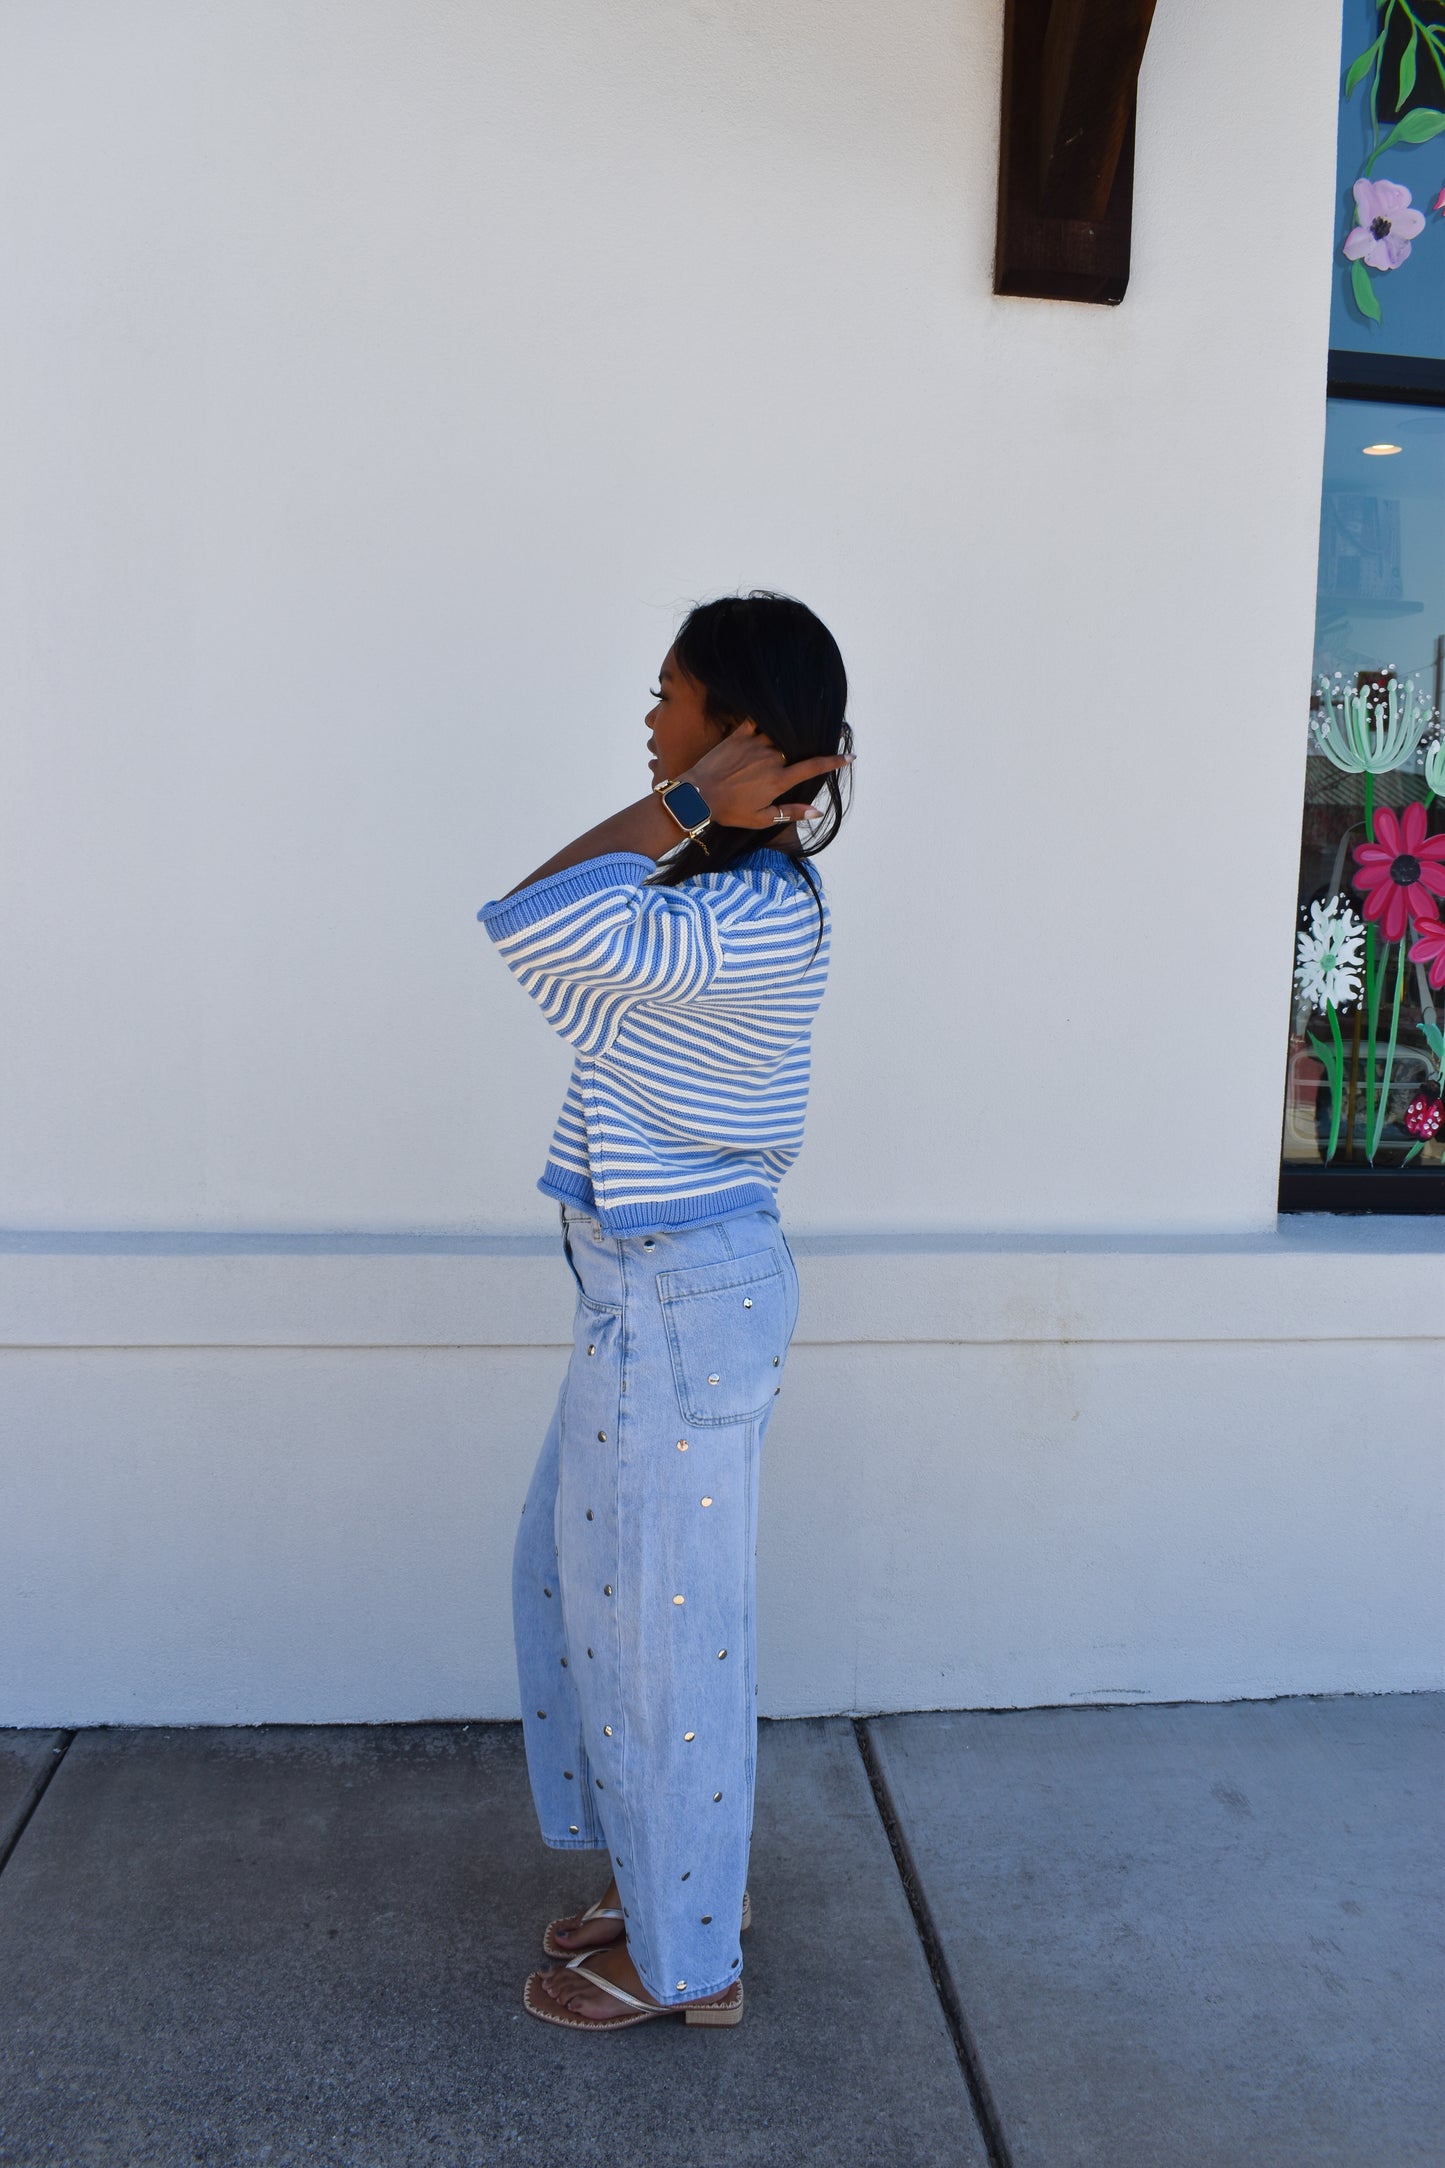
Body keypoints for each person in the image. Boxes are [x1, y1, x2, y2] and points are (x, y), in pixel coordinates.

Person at [477, 590, 853, 2032]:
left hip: (675, 1299)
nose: (647, 722)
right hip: (649, 1298)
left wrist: (689, 799)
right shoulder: (706, 898)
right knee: (597, 1602)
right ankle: (666, 1892)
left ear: (742, 734)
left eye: (669, 697)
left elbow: (524, 919)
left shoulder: (736, 921)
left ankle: (690, 1962)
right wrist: (690, 804)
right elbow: (554, 915)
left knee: (664, 1638)